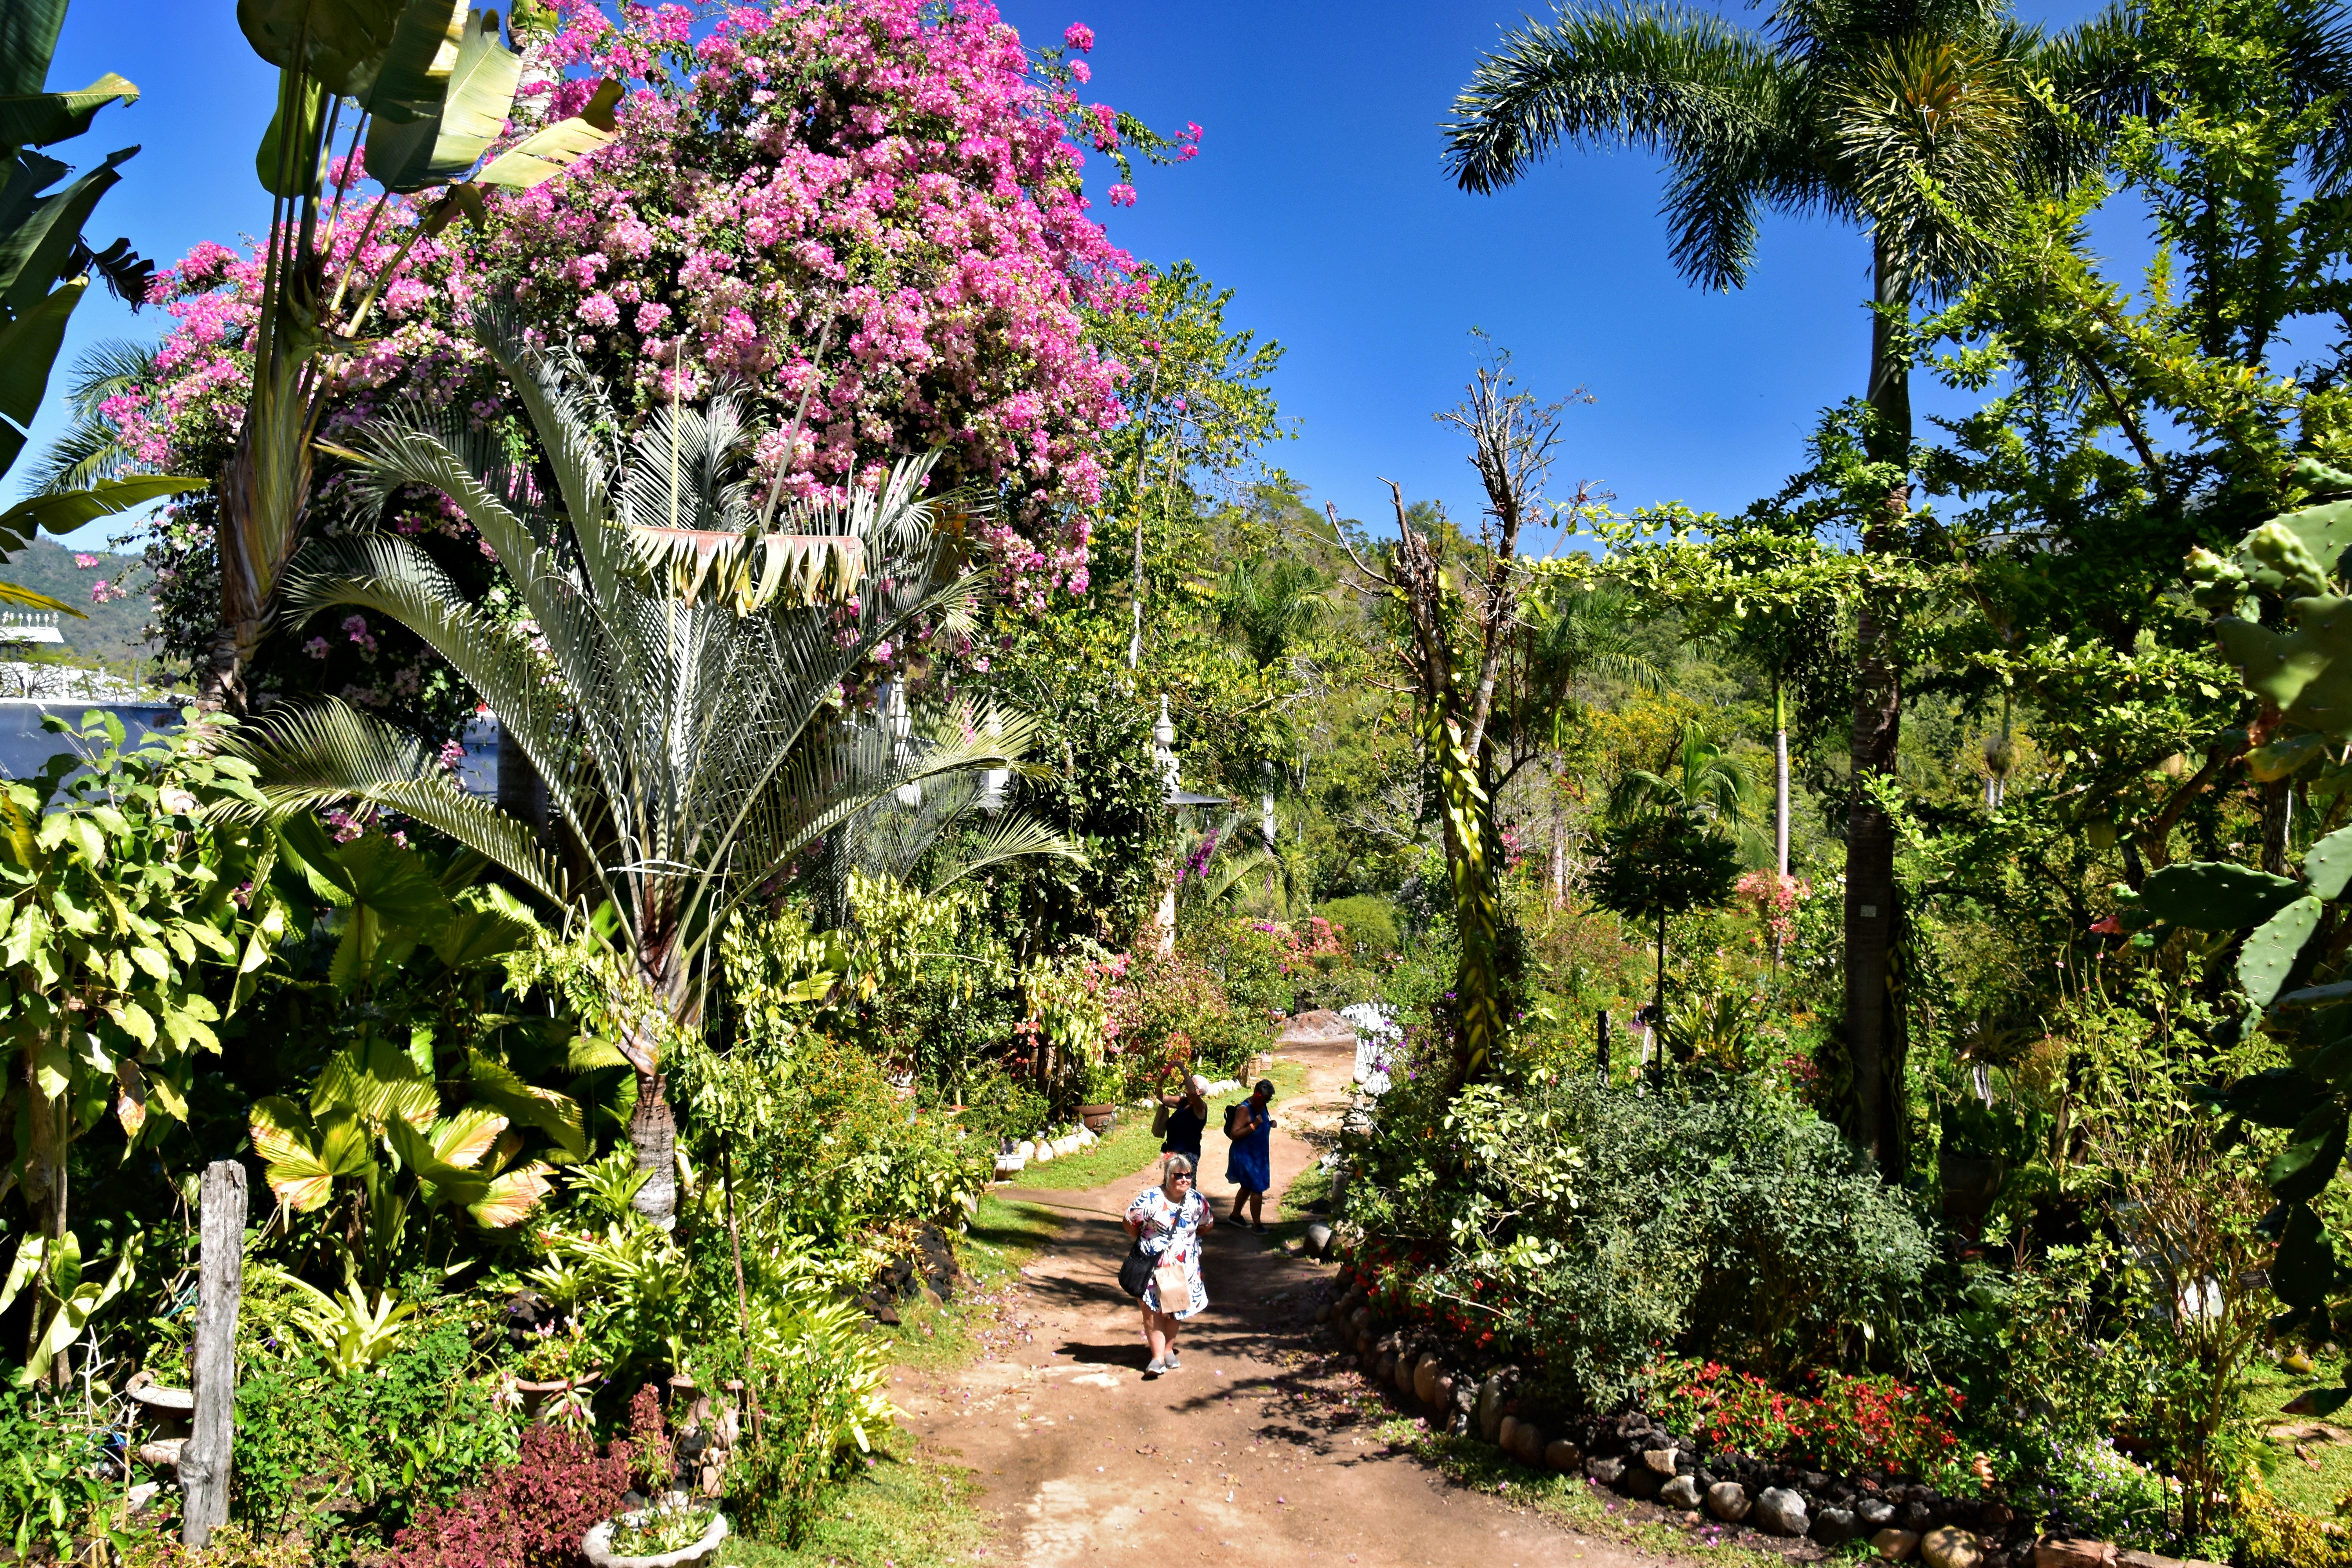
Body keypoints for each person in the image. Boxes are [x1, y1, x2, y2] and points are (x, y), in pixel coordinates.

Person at [1124, 1154, 1212, 1376]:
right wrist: (1150, 1240)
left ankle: (1168, 1350)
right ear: (1167, 1177)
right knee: (1151, 1310)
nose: (1184, 1180)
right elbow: (1130, 1223)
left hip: (1183, 1267)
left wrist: (1187, 1242)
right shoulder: (1150, 1199)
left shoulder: (1197, 1201)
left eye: (1188, 1175)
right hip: (1152, 1265)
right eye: (1178, 1176)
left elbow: (1207, 1224)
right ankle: (1157, 1359)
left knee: (1176, 1309)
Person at [1223, 1078, 1276, 1231]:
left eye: (1269, 1099)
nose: (1267, 1102)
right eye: (1266, 1099)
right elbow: (1234, 1134)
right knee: (1257, 1188)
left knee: (1247, 1187)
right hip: (1245, 1156)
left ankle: (1235, 1216)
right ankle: (1257, 1224)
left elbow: (1262, 1125)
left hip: (1259, 1156)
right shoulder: (1245, 1110)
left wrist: (1270, 1124)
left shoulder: (1263, 1106)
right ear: (1258, 1095)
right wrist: (1254, 1126)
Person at [1154, 1072, 1210, 1163]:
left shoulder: (1201, 1108)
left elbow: (1193, 1094)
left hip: (1188, 1156)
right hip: (1172, 1152)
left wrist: (1183, 1069)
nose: (1187, 1084)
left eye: (1192, 1085)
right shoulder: (1183, 1101)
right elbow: (1162, 1098)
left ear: (1199, 1092)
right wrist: (1160, 1082)